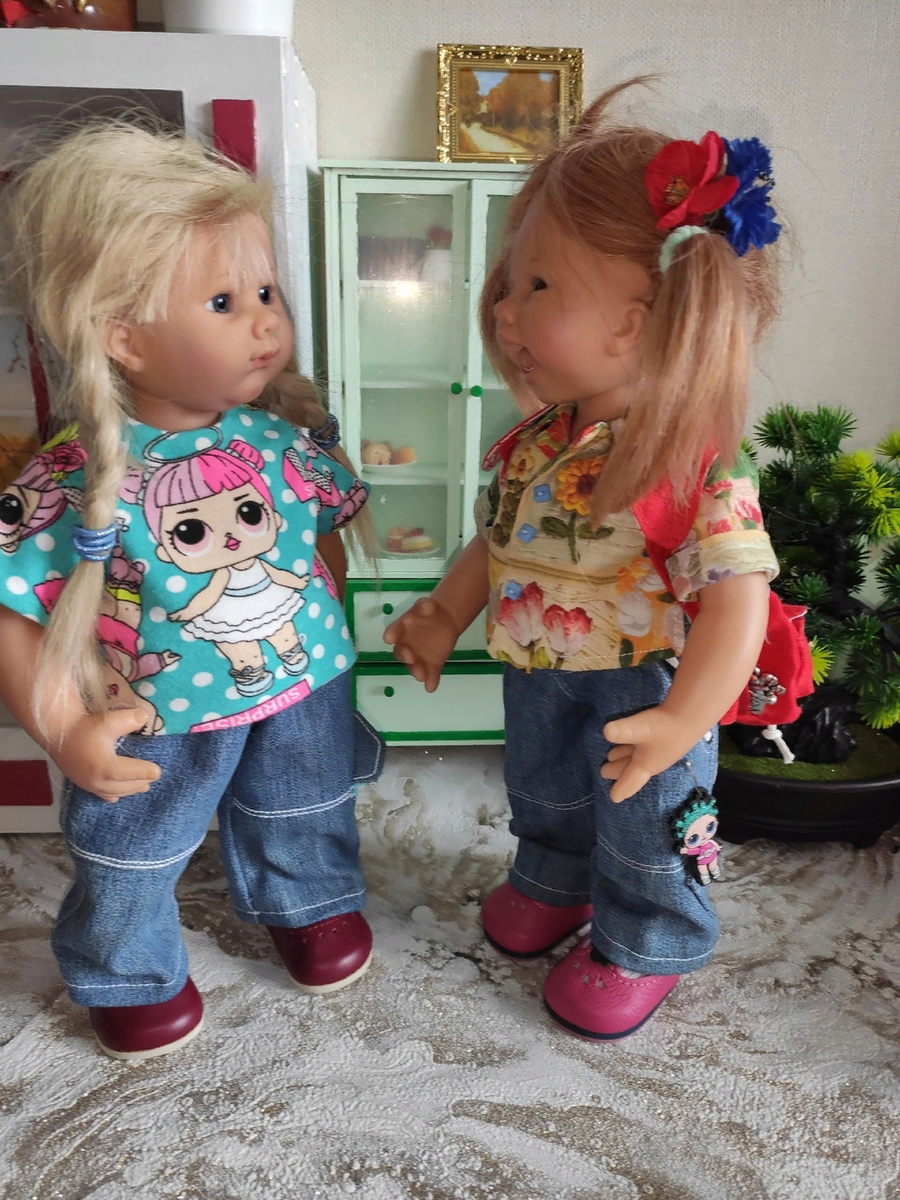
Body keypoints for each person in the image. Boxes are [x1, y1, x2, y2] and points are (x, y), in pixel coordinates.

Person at [384, 81, 783, 1041]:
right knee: (544, 788)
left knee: (646, 822)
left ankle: (648, 936)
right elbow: (499, 539)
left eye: (537, 286)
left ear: (638, 322)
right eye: (508, 284)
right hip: (538, 666)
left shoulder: (691, 461)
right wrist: (443, 611)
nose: (503, 310)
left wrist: (684, 716)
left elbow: (739, 599)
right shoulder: (537, 440)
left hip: (643, 684)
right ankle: (554, 880)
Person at [0, 122, 383, 1061]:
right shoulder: (76, 476)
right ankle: (128, 967)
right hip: (154, 705)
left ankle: (309, 902)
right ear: (122, 336)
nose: (265, 322)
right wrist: (64, 728)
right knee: (132, 841)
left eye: (265, 294)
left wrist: (331, 638)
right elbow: (13, 609)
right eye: (223, 301)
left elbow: (323, 543)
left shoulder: (281, 440)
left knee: (308, 802)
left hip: (299, 682)